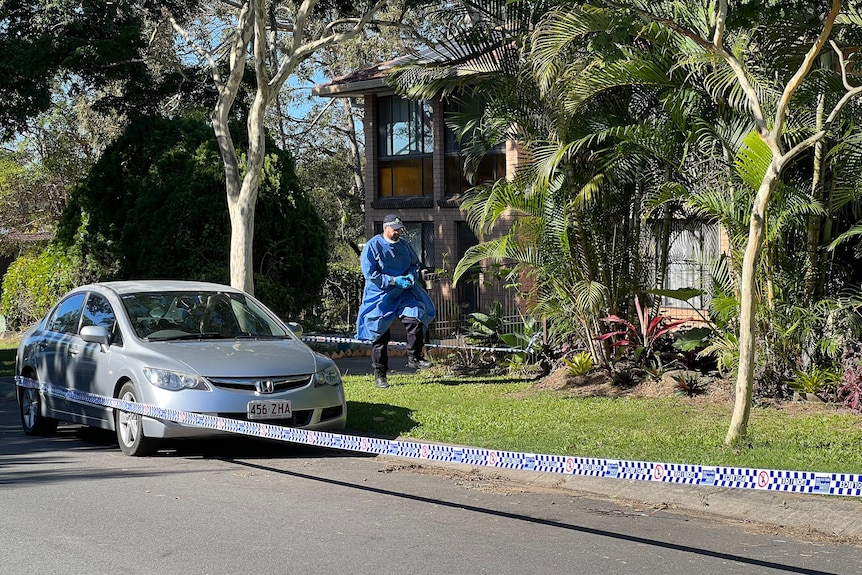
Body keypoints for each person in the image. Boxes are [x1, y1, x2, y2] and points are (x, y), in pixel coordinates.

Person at [355, 214, 437, 388]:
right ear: (385, 228)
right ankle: (380, 374)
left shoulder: (404, 245)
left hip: (403, 292)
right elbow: (371, 274)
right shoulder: (372, 246)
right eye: (395, 229)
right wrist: (393, 280)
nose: (398, 232)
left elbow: (415, 264)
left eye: (400, 229)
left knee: (415, 318)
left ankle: (414, 357)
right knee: (380, 335)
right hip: (380, 295)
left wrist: (410, 275)